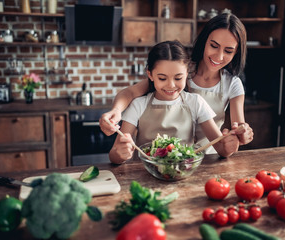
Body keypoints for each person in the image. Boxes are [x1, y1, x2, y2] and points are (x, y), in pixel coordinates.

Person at [100, 11, 253, 154]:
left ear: (236, 52)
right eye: (214, 46)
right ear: (204, 41)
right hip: (180, 155)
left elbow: (238, 126)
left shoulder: (232, 84)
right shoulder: (179, 71)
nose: (219, 56)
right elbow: (130, 92)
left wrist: (241, 133)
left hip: (209, 155)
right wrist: (116, 111)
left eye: (228, 51)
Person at [108, 40, 239, 164]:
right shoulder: (138, 105)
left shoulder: (195, 102)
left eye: (178, 78)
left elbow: (221, 148)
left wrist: (228, 145)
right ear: (150, 75)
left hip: (183, 172)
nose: (171, 85)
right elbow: (114, 154)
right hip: (146, 174)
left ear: (187, 73)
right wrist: (119, 154)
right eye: (162, 78)